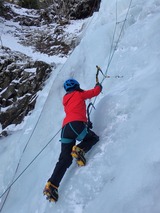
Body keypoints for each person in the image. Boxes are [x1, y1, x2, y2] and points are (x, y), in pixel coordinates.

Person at [43, 78, 102, 202]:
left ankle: (51, 185)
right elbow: (94, 92)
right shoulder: (79, 94)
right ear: (77, 86)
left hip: (65, 129)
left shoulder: (65, 99)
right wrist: (98, 86)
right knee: (93, 138)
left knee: (64, 159)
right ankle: (80, 149)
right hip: (76, 125)